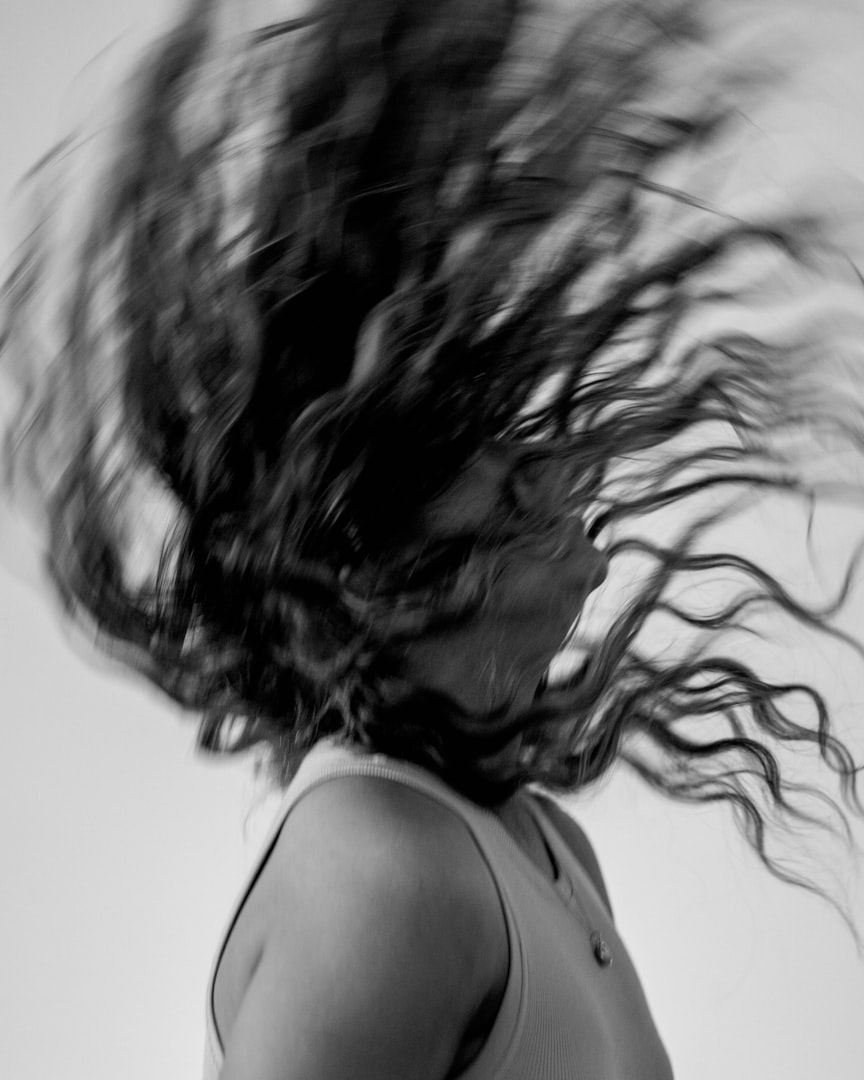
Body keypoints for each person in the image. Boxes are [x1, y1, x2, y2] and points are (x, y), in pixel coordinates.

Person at [3, 0, 863, 1077]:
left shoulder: (537, 842)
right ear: (380, 570)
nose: (546, 455)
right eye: (481, 440)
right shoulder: (378, 873)